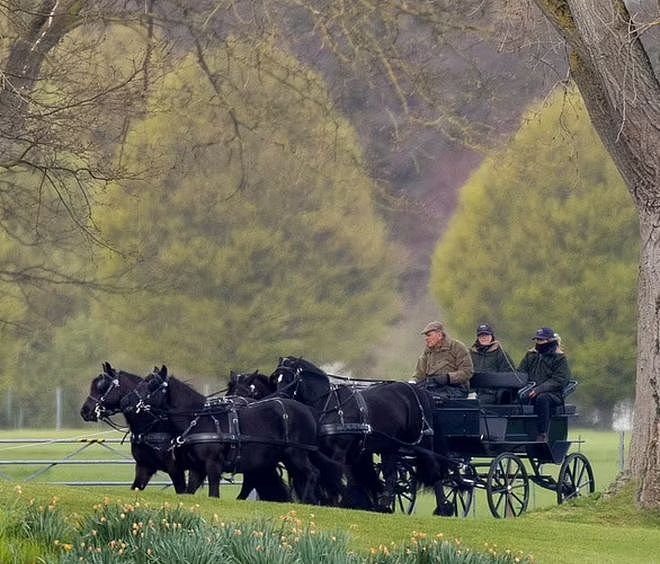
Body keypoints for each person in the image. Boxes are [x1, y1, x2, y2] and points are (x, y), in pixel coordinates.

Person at [517, 327, 571, 442]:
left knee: (542, 398)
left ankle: (542, 433)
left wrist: (539, 389)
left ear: (550, 341)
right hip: (530, 390)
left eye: (541, 340)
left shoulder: (559, 358)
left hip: (553, 394)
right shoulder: (530, 355)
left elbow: (560, 380)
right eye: (537, 340)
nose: (538, 343)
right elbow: (520, 373)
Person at [413, 321, 473, 400]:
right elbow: (419, 374)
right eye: (426, 336)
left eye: (429, 335)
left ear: (439, 335)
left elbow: (467, 372)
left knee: (434, 399)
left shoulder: (457, 347)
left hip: (455, 389)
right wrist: (413, 384)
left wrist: (447, 378)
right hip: (432, 388)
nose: (426, 339)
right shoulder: (427, 351)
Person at [469, 323, 516, 404]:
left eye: (486, 335)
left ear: (492, 336)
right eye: (481, 335)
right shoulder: (470, 353)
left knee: (479, 403)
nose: (484, 337)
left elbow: (509, 375)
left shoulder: (500, 354)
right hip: (472, 391)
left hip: (491, 392)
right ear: (477, 338)